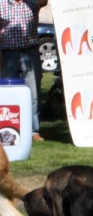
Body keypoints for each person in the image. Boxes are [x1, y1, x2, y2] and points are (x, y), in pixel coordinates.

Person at [0, 0, 48, 142]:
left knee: (33, 94)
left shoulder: (32, 3)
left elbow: (44, 1)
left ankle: (34, 131)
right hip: (8, 54)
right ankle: (7, 128)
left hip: (30, 52)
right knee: (8, 94)